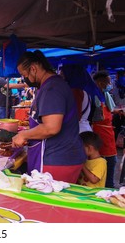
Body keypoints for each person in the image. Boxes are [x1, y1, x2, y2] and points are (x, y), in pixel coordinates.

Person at [12, 50, 86, 183]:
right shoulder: (48, 86)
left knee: (50, 202)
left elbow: (52, 127)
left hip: (57, 159)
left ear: (33, 69)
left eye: (24, 75)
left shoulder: (53, 88)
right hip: (55, 156)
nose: (25, 79)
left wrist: (24, 135)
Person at [92, 70, 117, 188]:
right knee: (108, 164)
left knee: (111, 163)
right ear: (101, 83)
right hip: (101, 135)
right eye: (108, 82)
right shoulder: (95, 97)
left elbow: (111, 110)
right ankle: (108, 188)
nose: (110, 84)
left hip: (109, 133)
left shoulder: (104, 95)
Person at [61, 64, 104, 133]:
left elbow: (76, 116)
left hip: (77, 131)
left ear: (70, 75)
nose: (61, 77)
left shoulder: (75, 91)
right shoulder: (86, 90)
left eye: (63, 74)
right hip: (83, 129)